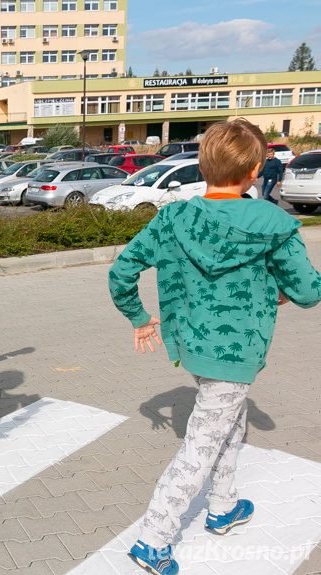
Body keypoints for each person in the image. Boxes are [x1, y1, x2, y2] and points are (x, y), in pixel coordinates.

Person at [108, 118, 321, 575]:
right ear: (257, 169)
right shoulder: (275, 222)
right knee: (200, 446)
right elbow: (308, 292)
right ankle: (154, 539)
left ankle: (223, 506)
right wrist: (279, 287)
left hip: (190, 345)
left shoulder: (173, 216)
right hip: (236, 354)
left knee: (229, 420)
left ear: (202, 164)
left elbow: (121, 271)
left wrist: (139, 318)